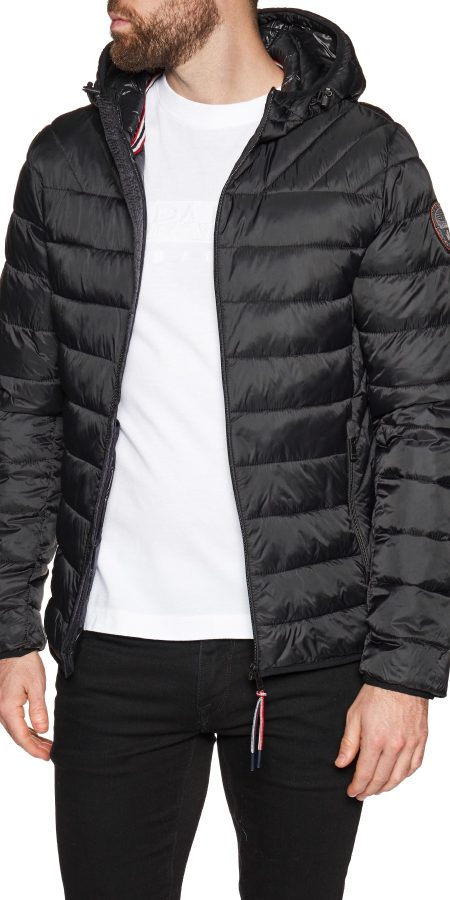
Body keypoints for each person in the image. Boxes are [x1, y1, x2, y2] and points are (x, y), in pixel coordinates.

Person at [0, 2, 449, 898]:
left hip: (306, 655)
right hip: (113, 649)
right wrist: (10, 628)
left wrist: (405, 669)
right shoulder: (67, 160)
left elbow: (424, 420)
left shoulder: (366, 158)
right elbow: (25, 411)